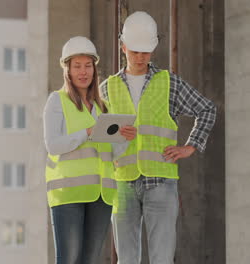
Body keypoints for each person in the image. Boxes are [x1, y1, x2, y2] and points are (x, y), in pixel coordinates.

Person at [100, 11, 217, 264]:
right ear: (123, 47)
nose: (141, 57)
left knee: (162, 259)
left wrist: (191, 146)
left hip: (161, 181)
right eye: (135, 51)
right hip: (122, 183)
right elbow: (99, 138)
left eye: (146, 51)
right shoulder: (107, 88)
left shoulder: (169, 83)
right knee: (126, 260)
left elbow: (207, 108)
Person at [43, 36, 135, 264]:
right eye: (77, 66)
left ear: (94, 70)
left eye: (87, 66)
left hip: (101, 194)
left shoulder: (104, 107)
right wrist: (87, 132)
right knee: (69, 259)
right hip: (69, 193)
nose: (83, 72)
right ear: (68, 70)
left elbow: (111, 153)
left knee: (90, 260)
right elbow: (53, 145)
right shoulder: (57, 101)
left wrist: (124, 140)